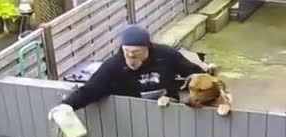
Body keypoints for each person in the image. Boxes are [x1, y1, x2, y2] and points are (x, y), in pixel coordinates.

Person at [50, 24, 210, 112]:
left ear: (147, 48)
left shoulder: (165, 55)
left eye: (136, 52)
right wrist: (67, 106)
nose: (131, 57)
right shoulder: (113, 66)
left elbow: (197, 75)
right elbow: (90, 90)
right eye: (127, 52)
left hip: (170, 112)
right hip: (134, 117)